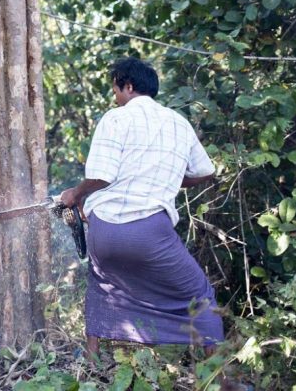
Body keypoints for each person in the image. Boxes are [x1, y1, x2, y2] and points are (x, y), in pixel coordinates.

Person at [60, 57, 223, 356]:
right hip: (150, 232)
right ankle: (221, 381)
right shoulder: (178, 123)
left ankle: (90, 368)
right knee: (199, 296)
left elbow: (101, 176)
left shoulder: (115, 118)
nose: (115, 97)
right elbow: (205, 171)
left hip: (105, 232)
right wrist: (171, 180)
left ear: (129, 86)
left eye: (115, 90)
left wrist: (75, 194)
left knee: (101, 288)